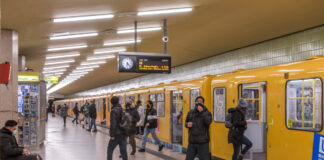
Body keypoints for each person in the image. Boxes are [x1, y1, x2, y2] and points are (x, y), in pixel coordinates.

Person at [185, 96, 212, 160]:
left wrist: (202, 112)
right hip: (192, 142)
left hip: (203, 143)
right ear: (195, 103)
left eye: (201, 102)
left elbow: (208, 122)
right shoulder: (191, 112)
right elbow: (186, 122)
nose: (199, 103)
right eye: (198, 101)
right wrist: (187, 124)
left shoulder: (207, 113)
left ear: (203, 104)